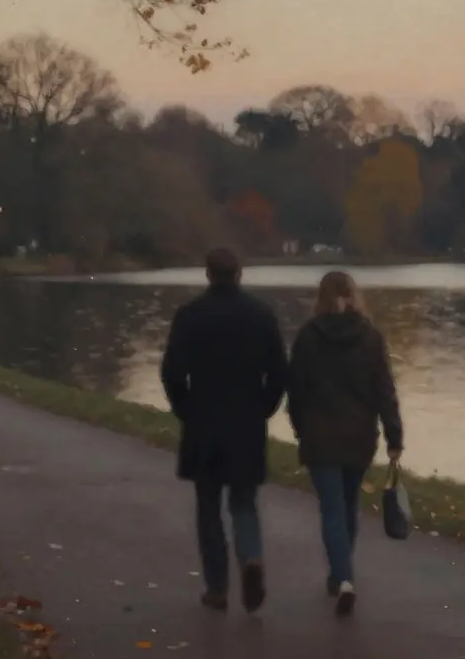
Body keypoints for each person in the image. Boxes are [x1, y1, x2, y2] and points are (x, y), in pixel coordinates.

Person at [160, 247, 288, 614]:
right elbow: (279, 371)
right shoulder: (261, 316)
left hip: (203, 423)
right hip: (246, 423)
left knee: (208, 507)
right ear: (239, 274)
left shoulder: (189, 316)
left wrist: (184, 408)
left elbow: (171, 372)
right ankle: (250, 557)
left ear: (208, 274)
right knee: (244, 502)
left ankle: (217, 587)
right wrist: (264, 406)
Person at [286, 270, 404, 616]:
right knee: (348, 505)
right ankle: (342, 575)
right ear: (353, 295)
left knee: (332, 509)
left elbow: (296, 389)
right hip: (359, 435)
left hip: (320, 436)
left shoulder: (308, 337)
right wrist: (394, 435)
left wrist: (299, 428)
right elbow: (384, 390)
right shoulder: (370, 337)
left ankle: (343, 577)